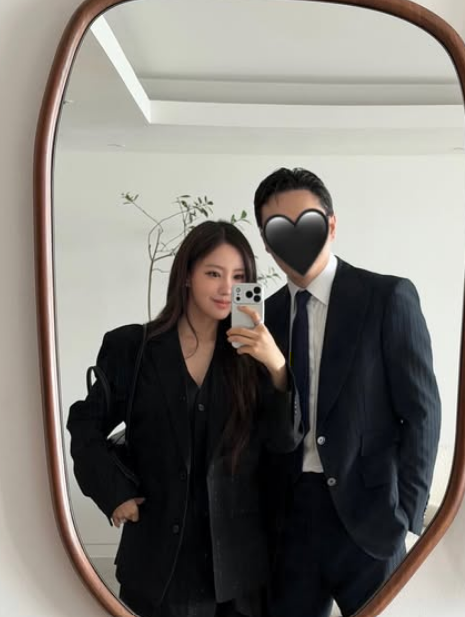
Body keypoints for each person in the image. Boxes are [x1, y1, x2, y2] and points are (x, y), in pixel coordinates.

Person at [67, 220, 302, 617]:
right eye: (213, 273)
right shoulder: (133, 348)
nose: (226, 288)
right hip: (158, 564)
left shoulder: (254, 355)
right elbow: (84, 424)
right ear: (187, 276)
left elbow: (284, 442)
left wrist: (276, 366)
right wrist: (114, 492)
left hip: (238, 574)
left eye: (239, 277)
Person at [253, 167, 441, 617]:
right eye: (278, 229)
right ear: (266, 243)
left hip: (372, 519)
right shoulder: (265, 318)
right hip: (289, 523)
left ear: (331, 226)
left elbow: (422, 413)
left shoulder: (387, 297)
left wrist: (407, 518)